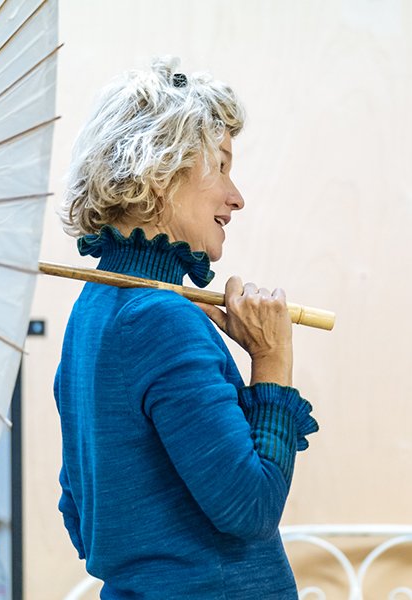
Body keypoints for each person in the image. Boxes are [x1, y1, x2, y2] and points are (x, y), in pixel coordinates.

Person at [54, 57, 319, 599]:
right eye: (220, 165)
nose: (236, 196)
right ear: (160, 171)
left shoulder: (93, 309)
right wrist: (271, 360)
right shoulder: (160, 319)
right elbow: (252, 508)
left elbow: (79, 517)